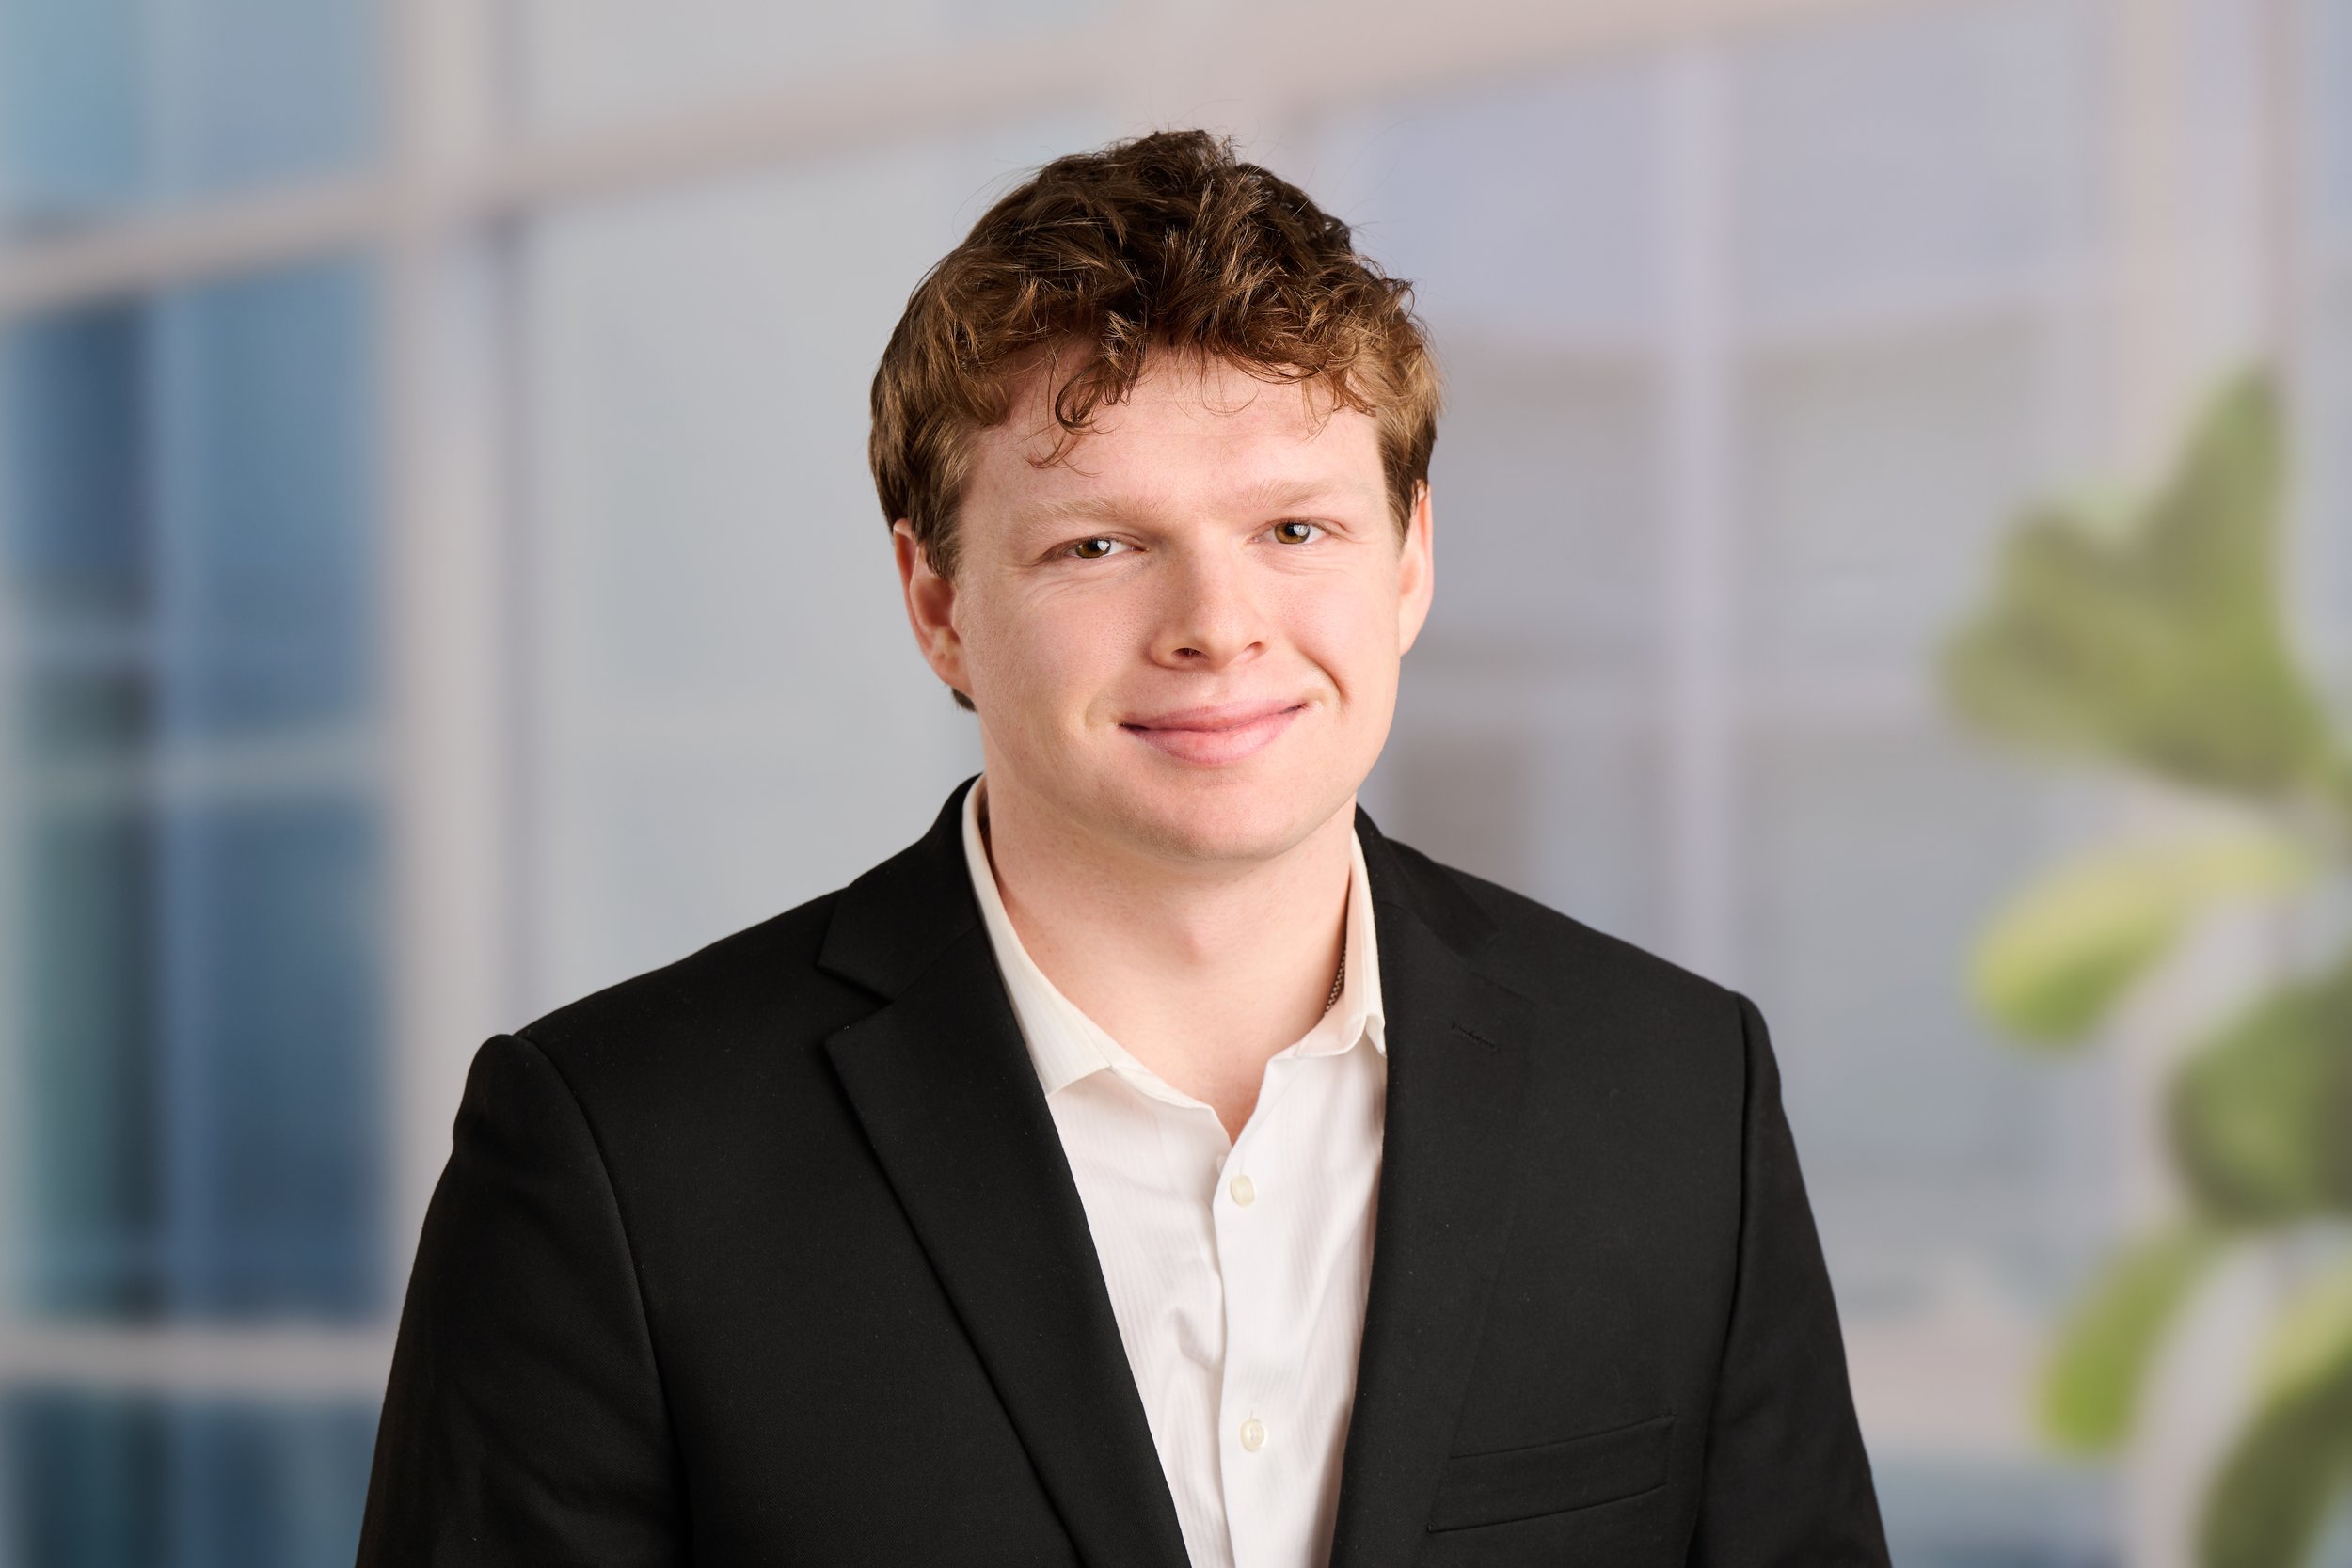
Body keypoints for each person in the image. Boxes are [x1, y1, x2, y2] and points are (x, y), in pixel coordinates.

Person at [356, 127, 1890, 1568]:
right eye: (1100, 545)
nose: (1218, 629)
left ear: (1411, 558)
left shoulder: (1683, 1097)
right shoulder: (614, 1157)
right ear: (938, 599)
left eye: (1296, 530)